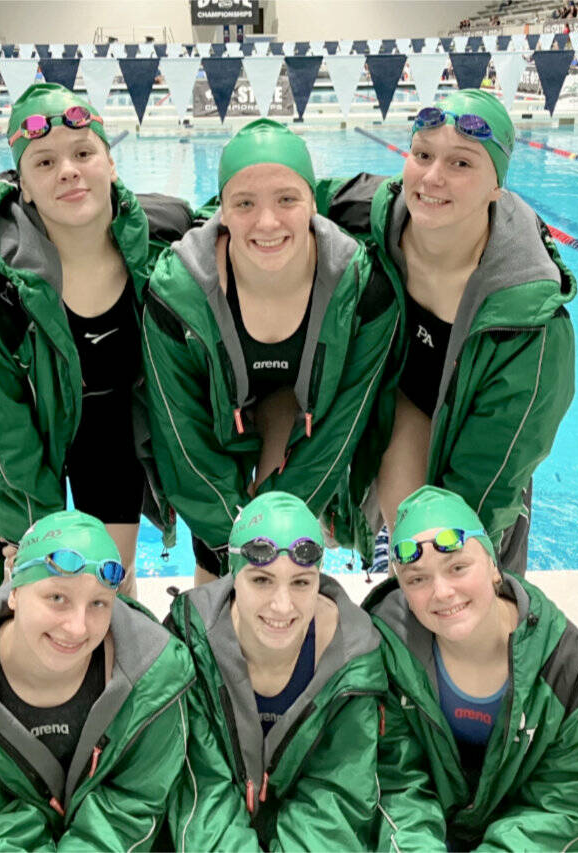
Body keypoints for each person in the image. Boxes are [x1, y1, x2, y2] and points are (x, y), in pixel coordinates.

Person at [0, 83, 193, 611]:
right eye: (44, 162)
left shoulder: (165, 238)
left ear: (110, 165)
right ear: (21, 186)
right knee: (38, 590)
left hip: (111, 432)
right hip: (25, 442)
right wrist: (24, 526)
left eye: (83, 153)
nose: (68, 170)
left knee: (108, 588)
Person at [316, 89, 576, 576]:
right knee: (408, 561)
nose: (433, 177)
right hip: (408, 404)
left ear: (497, 186)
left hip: (482, 439)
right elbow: (279, 197)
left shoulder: (530, 323)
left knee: (460, 564)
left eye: (461, 163)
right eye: (423, 155)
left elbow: (491, 482)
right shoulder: (377, 211)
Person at [141, 119, 400, 584]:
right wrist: (234, 540)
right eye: (244, 203)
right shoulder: (177, 295)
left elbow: (341, 430)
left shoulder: (362, 293)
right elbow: (183, 439)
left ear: (313, 204)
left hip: (305, 417)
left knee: (290, 562)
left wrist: (284, 531)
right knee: (221, 572)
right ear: (222, 210)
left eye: (287, 199)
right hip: (222, 424)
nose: (266, 222)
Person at [163, 491, 443, 851]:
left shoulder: (353, 661)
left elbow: (333, 797)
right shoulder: (191, 647)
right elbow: (201, 794)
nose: (282, 606)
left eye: (301, 582)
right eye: (262, 580)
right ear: (234, 577)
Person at [365, 486, 578, 848]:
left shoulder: (565, 669)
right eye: (418, 579)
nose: (442, 591)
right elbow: (395, 783)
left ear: (494, 567)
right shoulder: (388, 655)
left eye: (458, 567)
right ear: (402, 590)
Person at [0, 510, 194, 850]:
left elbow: (131, 807)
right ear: (14, 591)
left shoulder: (157, 676)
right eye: (57, 598)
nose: (77, 627)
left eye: (98, 604)